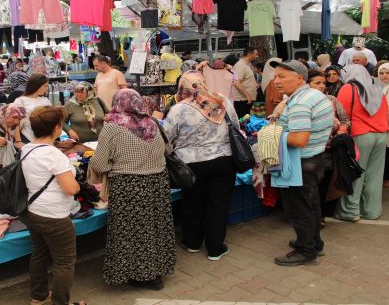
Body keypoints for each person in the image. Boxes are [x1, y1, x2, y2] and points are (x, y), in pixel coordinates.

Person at [90, 89, 175, 290]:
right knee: (155, 227)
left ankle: (142, 276)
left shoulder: (112, 128)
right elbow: (168, 150)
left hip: (129, 186)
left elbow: (99, 164)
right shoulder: (153, 123)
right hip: (158, 184)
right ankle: (156, 270)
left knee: (130, 232)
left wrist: (115, 166)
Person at [163, 71, 239, 261]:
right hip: (224, 161)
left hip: (192, 164)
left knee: (192, 202)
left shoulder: (179, 109)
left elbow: (166, 137)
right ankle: (215, 248)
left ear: (183, 88)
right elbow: (236, 126)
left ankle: (192, 242)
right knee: (218, 205)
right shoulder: (222, 101)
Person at [17, 106, 84, 305]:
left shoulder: (27, 148)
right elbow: (71, 189)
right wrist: (78, 184)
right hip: (54, 216)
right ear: (56, 128)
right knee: (64, 262)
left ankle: (38, 296)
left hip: (33, 211)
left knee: (39, 254)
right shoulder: (54, 156)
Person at [269, 60, 333, 266]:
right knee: (311, 204)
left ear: (298, 79)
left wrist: (272, 133)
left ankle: (305, 251)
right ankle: (314, 242)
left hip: (301, 162)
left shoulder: (300, 103)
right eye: (275, 76)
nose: (276, 81)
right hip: (314, 160)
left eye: (281, 77)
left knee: (299, 209)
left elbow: (298, 139)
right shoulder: (313, 95)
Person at [336, 64, 389, 221]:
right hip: (381, 135)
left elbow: (341, 113)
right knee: (375, 176)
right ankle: (372, 211)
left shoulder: (348, 88)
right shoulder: (377, 88)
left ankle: (350, 212)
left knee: (355, 173)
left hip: (360, 135)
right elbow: (386, 112)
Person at [306, 69, 349, 223]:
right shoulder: (299, 102)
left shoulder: (332, 100)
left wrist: (341, 130)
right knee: (310, 185)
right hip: (307, 151)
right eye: (317, 83)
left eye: (323, 83)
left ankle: (322, 215)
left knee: (324, 183)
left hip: (328, 151)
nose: (322, 86)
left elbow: (345, 120)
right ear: (307, 84)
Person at [13, 74, 52, 146]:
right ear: (37, 85)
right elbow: (15, 123)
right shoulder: (21, 101)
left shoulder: (45, 100)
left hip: (45, 138)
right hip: (27, 138)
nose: (47, 88)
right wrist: (18, 141)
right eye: (45, 86)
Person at [232, 47, 259, 117]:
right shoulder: (241, 65)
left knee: (246, 119)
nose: (257, 56)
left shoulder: (247, 65)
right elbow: (236, 83)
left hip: (246, 99)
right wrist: (247, 96)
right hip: (242, 100)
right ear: (250, 54)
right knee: (243, 120)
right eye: (256, 54)